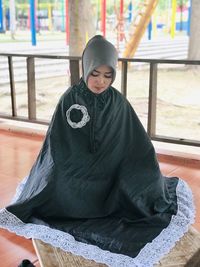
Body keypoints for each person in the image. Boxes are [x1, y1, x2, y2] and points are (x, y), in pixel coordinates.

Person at [0, 35, 195, 267]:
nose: (101, 81)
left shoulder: (118, 101)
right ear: (86, 68)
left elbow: (135, 142)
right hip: (75, 166)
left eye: (107, 75)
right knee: (59, 187)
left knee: (143, 187)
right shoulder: (69, 99)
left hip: (113, 167)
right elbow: (57, 144)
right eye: (95, 73)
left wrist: (138, 167)